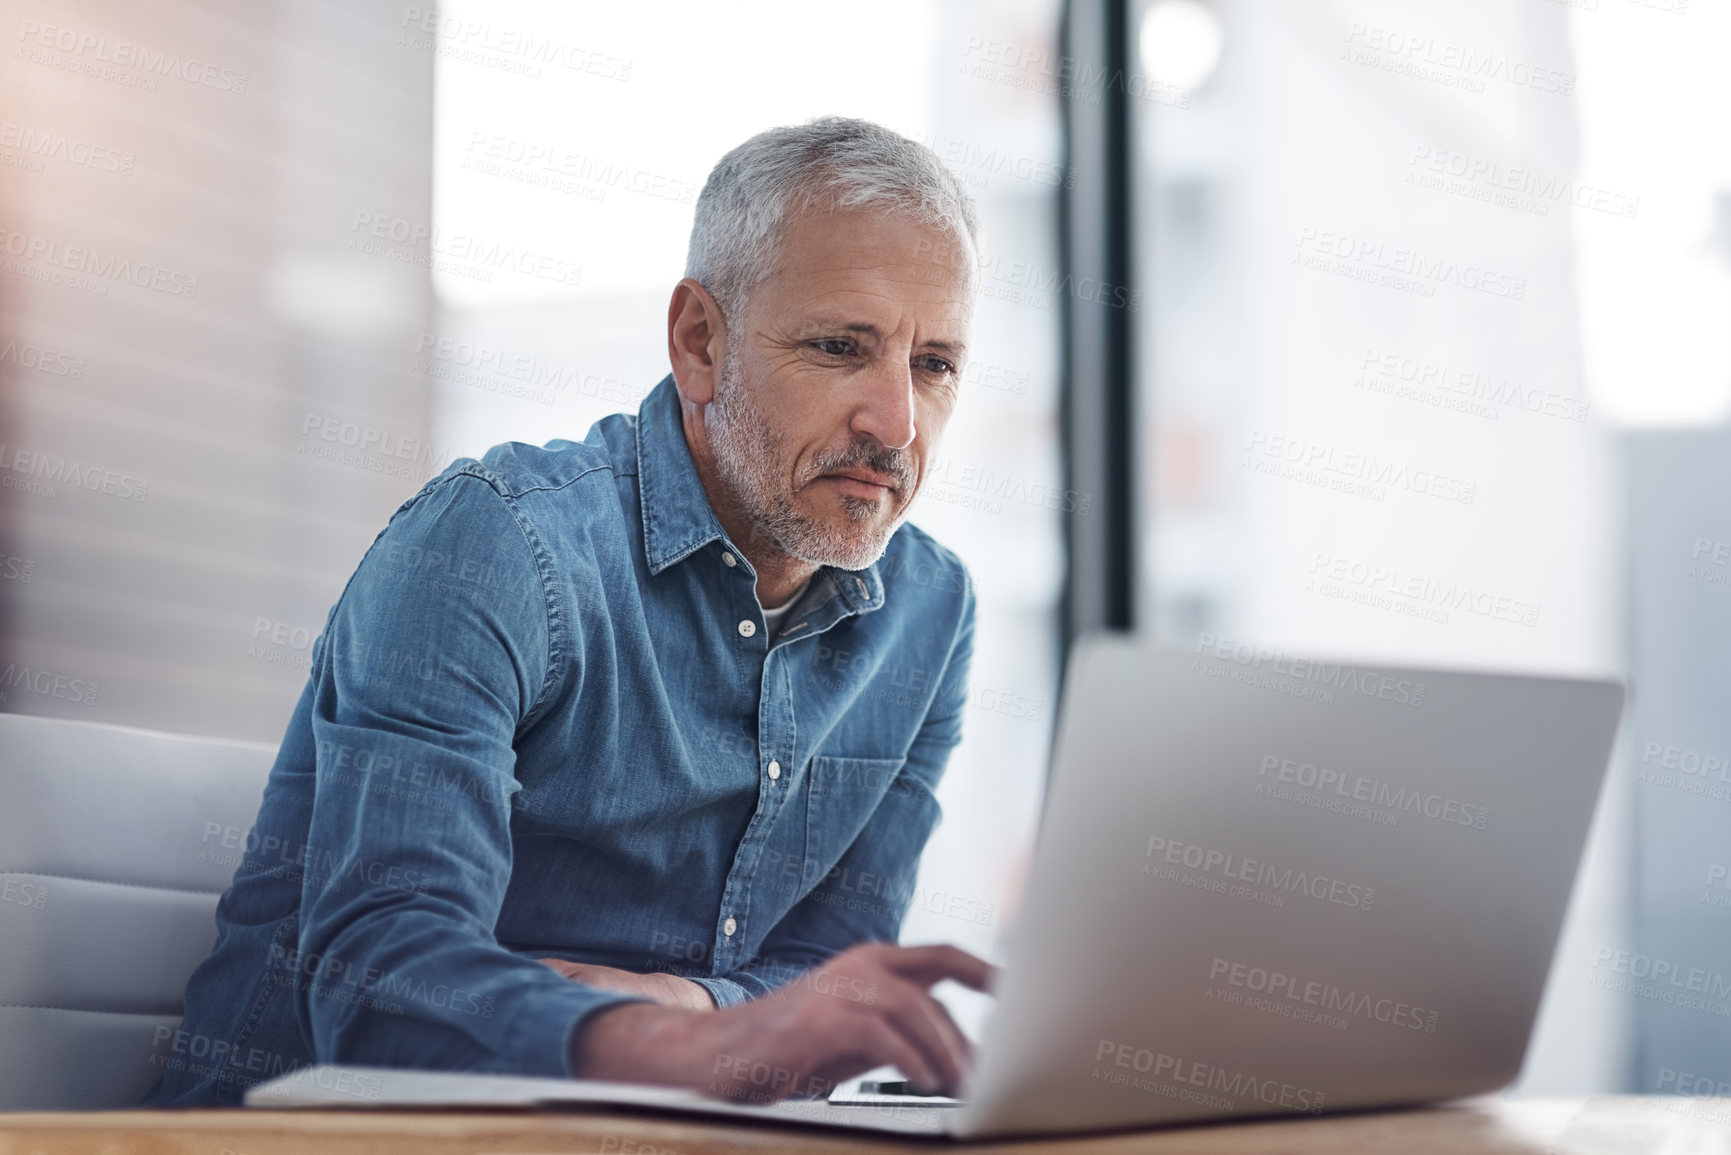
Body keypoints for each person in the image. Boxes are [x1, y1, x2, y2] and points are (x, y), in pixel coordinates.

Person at [144, 116, 992, 1109]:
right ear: (700, 342)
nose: (895, 424)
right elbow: (380, 985)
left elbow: (834, 969)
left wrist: (695, 1008)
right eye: (841, 347)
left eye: (933, 364)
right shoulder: (493, 547)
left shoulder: (930, 614)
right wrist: (699, 1049)